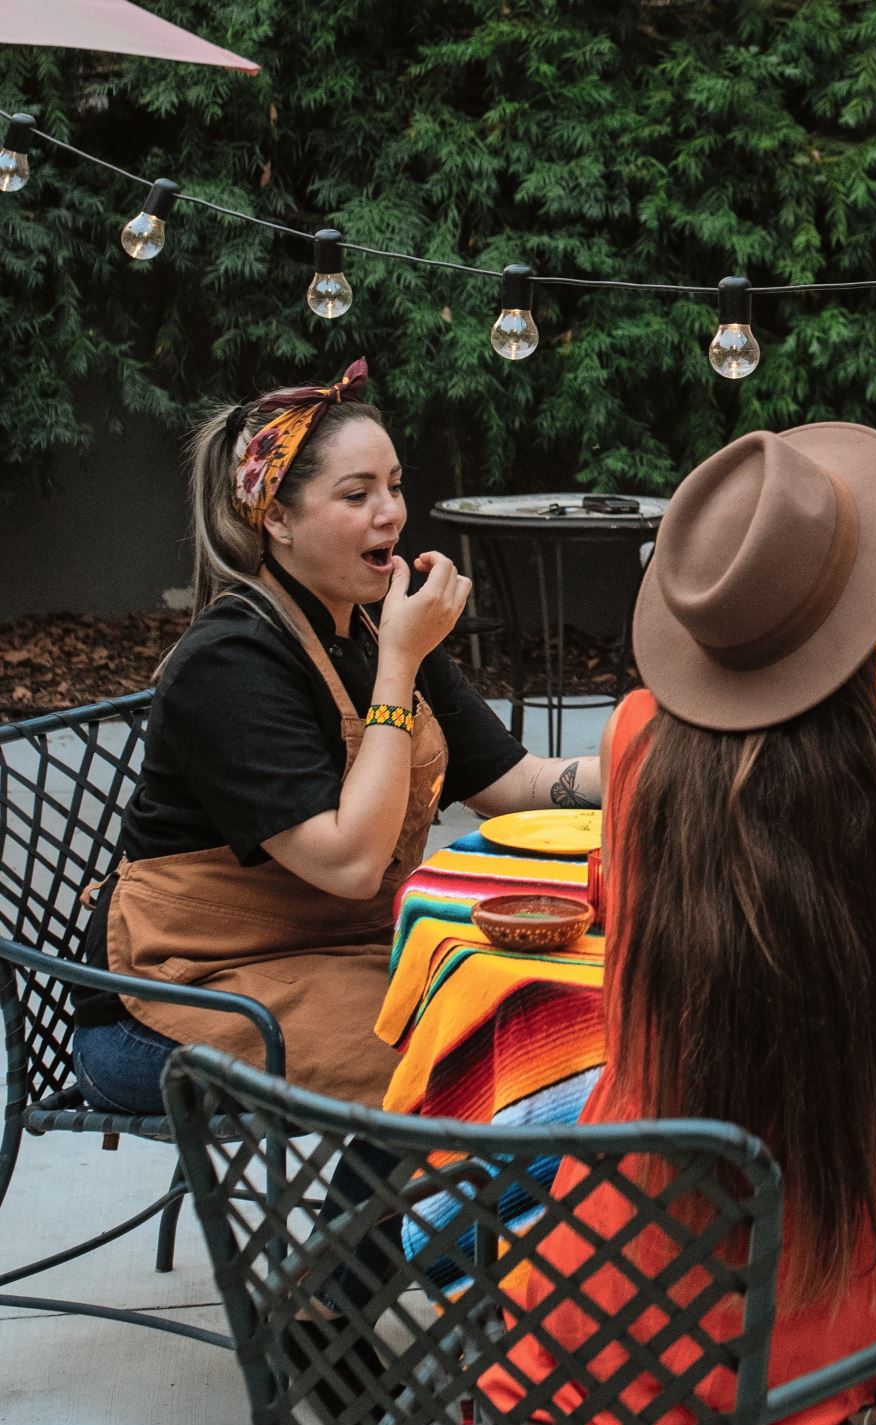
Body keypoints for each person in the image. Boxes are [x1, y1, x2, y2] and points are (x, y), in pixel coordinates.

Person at [480, 425, 876, 1425]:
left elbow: (706, 947)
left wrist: (872, 998)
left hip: (589, 1314)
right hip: (806, 1326)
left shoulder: (635, 735)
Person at [74, 359, 601, 1111]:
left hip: (329, 957)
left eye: (393, 486)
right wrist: (400, 664)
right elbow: (352, 863)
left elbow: (514, 785)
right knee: (468, 1056)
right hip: (169, 1004)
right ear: (277, 519)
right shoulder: (230, 661)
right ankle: (374, 1233)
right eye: (357, 495)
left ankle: (370, 1230)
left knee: (531, 1006)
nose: (390, 513)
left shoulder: (375, 627)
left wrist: (644, 758)